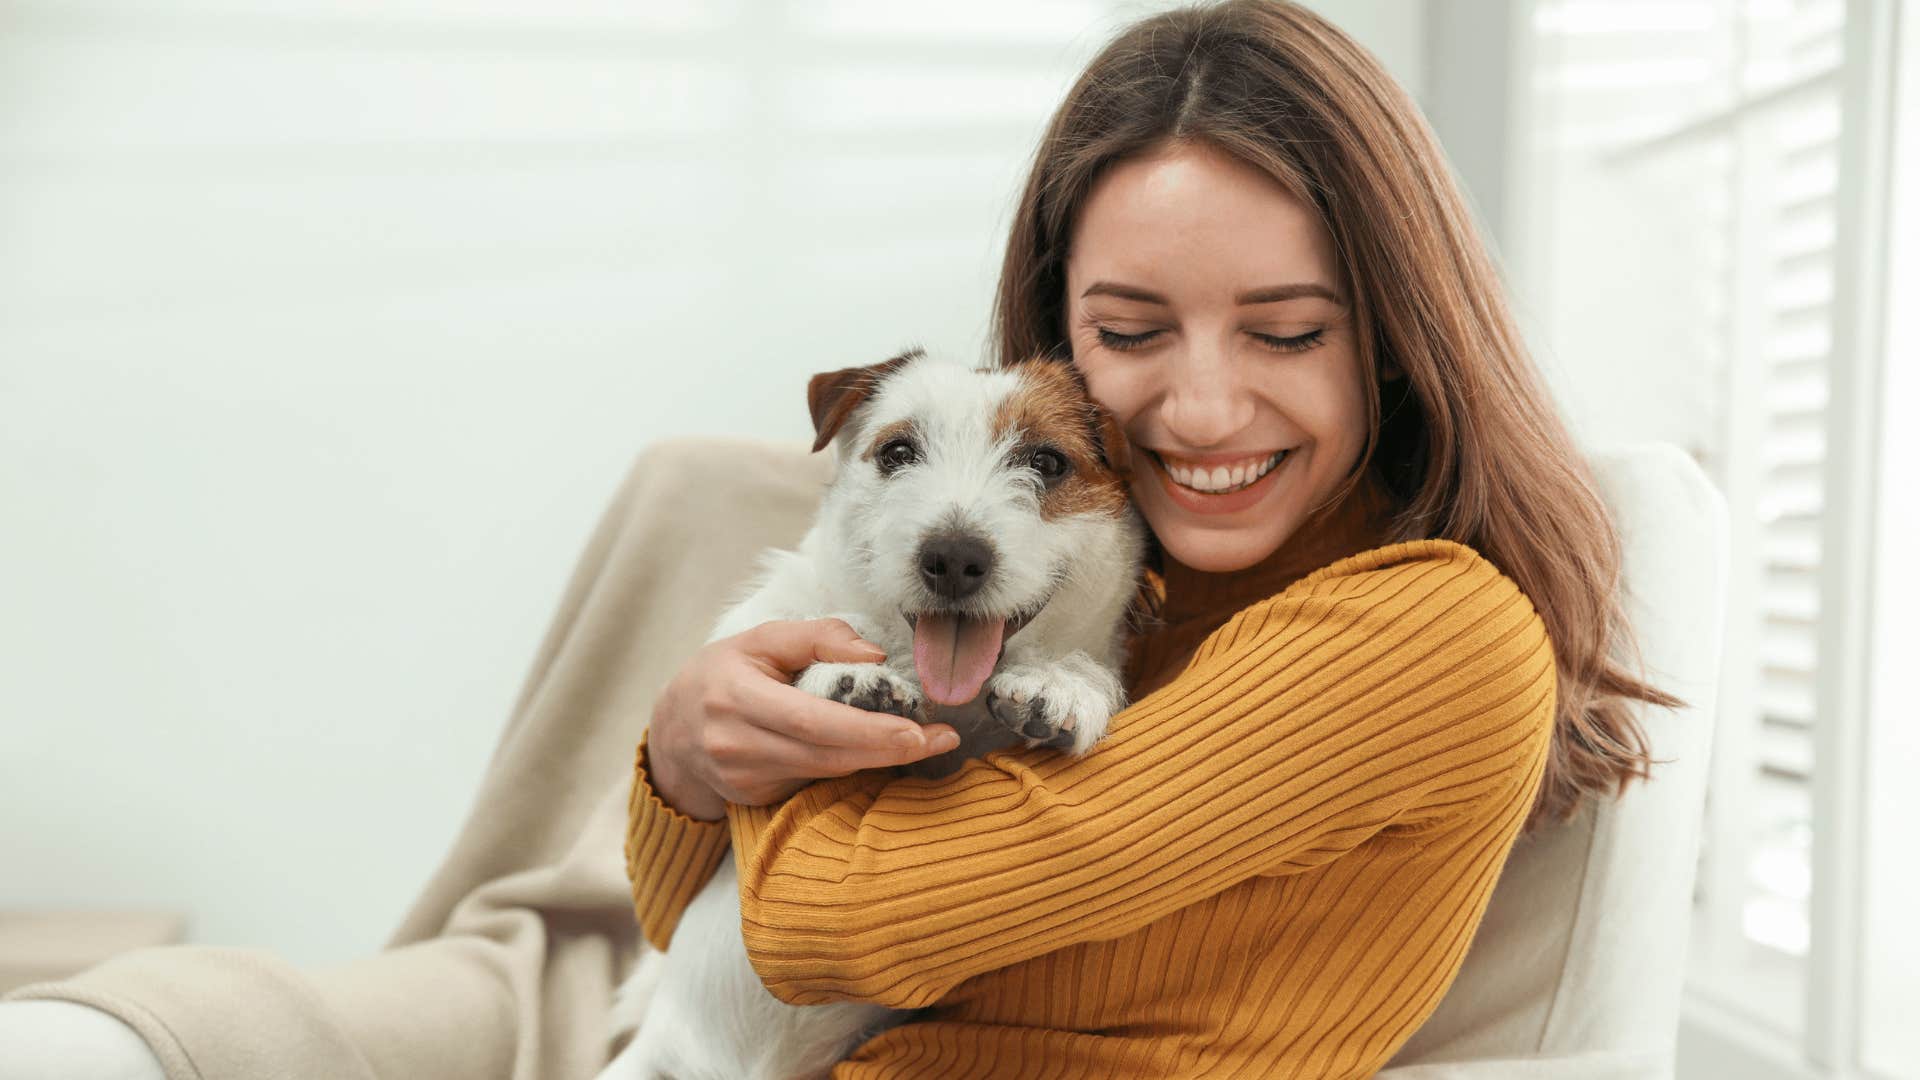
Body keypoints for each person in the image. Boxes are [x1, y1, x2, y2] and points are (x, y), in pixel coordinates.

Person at [0, 2, 1682, 1077]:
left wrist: (736, 765)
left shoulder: (1423, 632)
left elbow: (831, 933)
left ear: (1394, 336)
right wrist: (678, 767)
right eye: (1132, 325)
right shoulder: (1116, 578)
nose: (1202, 407)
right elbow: (679, 925)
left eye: (1289, 330)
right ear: (1054, 341)